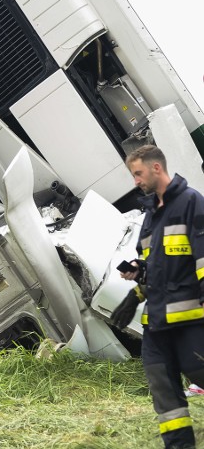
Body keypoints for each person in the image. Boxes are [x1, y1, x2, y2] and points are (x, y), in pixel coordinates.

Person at [111, 144, 204, 449]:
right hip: (157, 325)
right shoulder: (150, 216)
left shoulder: (191, 203)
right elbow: (155, 267)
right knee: (164, 394)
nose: (135, 181)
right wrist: (136, 289)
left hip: (190, 322)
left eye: (137, 173)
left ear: (156, 168)